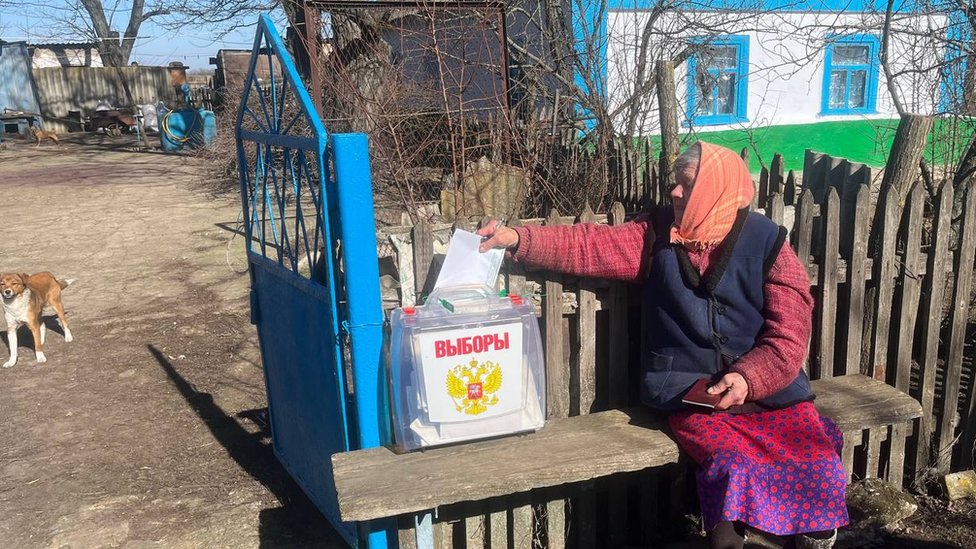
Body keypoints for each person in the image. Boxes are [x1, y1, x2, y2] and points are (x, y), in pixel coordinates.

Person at [477, 141, 847, 549]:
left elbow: (790, 333)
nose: (674, 193)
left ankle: (812, 540)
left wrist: (748, 377)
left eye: (686, 185)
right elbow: (587, 246)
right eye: (675, 184)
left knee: (817, 457)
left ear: (716, 190)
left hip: (769, 390)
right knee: (731, 464)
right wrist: (516, 239)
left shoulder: (768, 244)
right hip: (693, 393)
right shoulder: (656, 237)